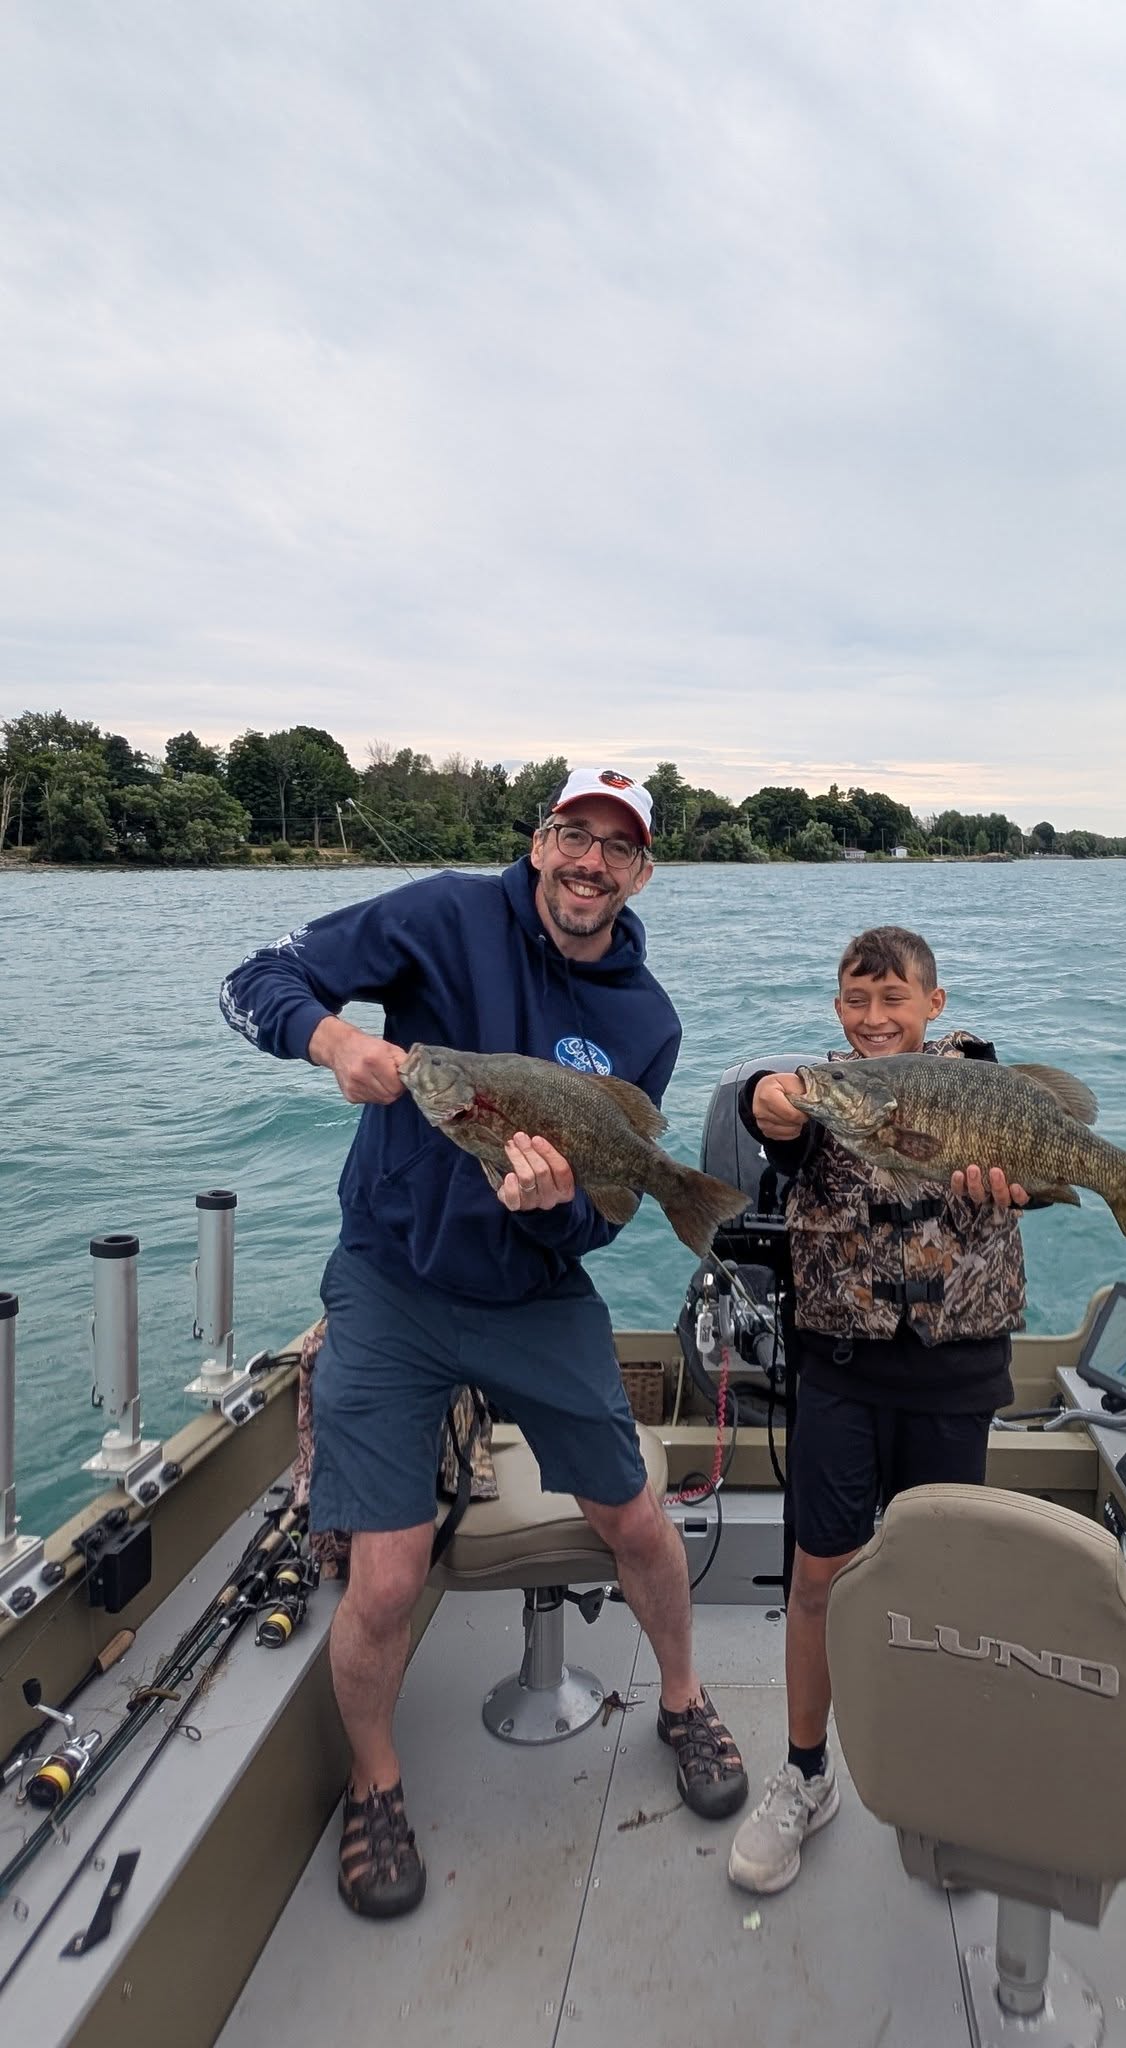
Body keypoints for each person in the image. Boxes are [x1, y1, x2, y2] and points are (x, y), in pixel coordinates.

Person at [220, 768, 747, 1920]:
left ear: (642, 871)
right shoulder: (444, 912)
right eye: (574, 833)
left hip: (533, 1294)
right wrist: (329, 1039)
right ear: (541, 838)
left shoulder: (645, 1018)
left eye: (618, 847)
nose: (590, 861)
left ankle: (683, 1697)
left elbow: (600, 1213)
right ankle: (375, 1781)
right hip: (391, 1282)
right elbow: (253, 977)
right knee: (387, 1571)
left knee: (636, 1519)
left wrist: (552, 1208)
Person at [726, 924, 1036, 1895]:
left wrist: (1029, 1182)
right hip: (841, 1371)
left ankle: (940, 1790)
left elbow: (1029, 1163)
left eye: (893, 998)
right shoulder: (826, 1093)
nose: (873, 1017)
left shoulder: (978, 1080)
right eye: (855, 1000)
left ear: (933, 1005)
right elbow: (771, 1109)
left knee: (939, 1584)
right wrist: (761, 1093)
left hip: (955, 1374)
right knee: (819, 1574)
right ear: (836, 1008)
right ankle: (806, 1772)